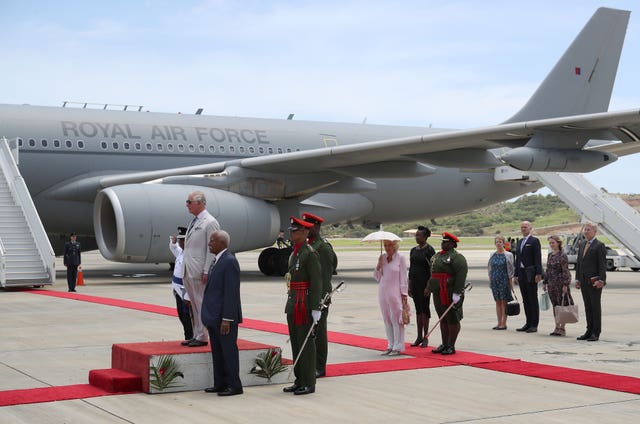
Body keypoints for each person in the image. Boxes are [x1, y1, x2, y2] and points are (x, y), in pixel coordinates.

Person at [282, 217, 322, 395]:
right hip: (294, 302)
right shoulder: (295, 252)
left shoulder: (310, 253)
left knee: (306, 344)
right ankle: (299, 380)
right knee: (297, 342)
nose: (292, 234)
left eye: (295, 231)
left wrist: (315, 308)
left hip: (304, 303)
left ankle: (308, 381)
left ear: (305, 233)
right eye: (291, 231)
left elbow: (316, 282)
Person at [201, 230, 243, 396]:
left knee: (228, 352)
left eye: (212, 241)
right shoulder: (217, 261)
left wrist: (227, 318)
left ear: (222, 243)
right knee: (217, 352)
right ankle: (220, 383)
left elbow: (231, 293)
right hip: (214, 317)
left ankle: (234, 385)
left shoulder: (229, 261)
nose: (209, 243)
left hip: (224, 318)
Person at [182, 191, 220, 347]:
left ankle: (204, 336)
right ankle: (198, 333)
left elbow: (213, 249)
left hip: (199, 270)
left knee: (201, 303)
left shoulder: (209, 222)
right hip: (189, 269)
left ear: (200, 203)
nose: (187, 204)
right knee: (194, 304)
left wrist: (207, 270)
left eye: (189, 202)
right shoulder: (195, 220)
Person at [301, 212, 336, 378]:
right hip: (309, 296)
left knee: (319, 332)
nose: (306, 230)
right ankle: (312, 363)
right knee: (311, 331)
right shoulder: (310, 245)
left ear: (316, 227)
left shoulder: (322, 247)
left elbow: (324, 276)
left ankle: (320, 367)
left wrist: (321, 300)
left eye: (309, 227)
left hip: (320, 297)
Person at [427, 232, 468, 355]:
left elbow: (461, 276)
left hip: (449, 291)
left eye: (445, 242)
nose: (442, 243)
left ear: (452, 244)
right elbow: (432, 273)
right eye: (442, 241)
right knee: (442, 318)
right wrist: (429, 287)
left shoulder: (457, 258)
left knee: (452, 319)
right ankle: (444, 344)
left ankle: (451, 345)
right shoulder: (437, 256)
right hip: (438, 291)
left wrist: (457, 293)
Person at [374, 238, 408, 356]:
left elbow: (403, 277)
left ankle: (398, 346)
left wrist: (404, 294)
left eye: (389, 245)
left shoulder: (400, 258)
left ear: (394, 246)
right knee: (386, 318)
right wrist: (378, 265)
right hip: (383, 291)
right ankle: (390, 344)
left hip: (395, 292)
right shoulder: (382, 258)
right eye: (385, 245)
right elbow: (377, 277)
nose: (387, 248)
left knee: (397, 319)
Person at [575, 222, 607, 342]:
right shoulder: (582, 244)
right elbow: (579, 263)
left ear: (594, 232)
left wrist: (601, 280)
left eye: (588, 230)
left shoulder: (599, 245)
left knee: (595, 307)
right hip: (583, 281)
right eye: (585, 230)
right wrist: (577, 279)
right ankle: (589, 330)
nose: (586, 231)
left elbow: (602, 265)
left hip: (594, 282)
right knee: (587, 307)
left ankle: (596, 332)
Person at [408, 226, 435, 347]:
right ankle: (418, 336)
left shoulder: (429, 250)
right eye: (416, 235)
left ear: (425, 237)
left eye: (419, 235)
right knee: (418, 309)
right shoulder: (413, 250)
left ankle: (426, 337)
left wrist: (428, 286)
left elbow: (432, 270)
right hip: (415, 284)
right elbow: (411, 268)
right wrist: (409, 284)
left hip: (424, 284)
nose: (416, 237)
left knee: (425, 309)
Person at [513, 221, 543, 333]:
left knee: (532, 299)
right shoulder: (520, 241)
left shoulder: (534, 241)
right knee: (525, 299)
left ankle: (534, 324)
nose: (523, 229)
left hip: (531, 273)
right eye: (522, 227)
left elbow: (537, 258)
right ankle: (528, 322)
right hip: (521, 273)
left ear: (530, 228)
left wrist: (538, 273)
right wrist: (515, 274)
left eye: (525, 227)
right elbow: (518, 259)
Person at [544, 235, 573, 336]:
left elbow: (565, 271)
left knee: (562, 305)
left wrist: (565, 284)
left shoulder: (562, 255)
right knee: (555, 306)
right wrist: (545, 282)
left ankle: (562, 327)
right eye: (550, 243)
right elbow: (548, 270)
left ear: (558, 243)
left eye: (553, 243)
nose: (551, 245)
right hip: (552, 284)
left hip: (560, 284)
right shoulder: (550, 255)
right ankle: (556, 326)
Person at [169, 226, 193, 344]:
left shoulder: (191, 255)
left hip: (186, 290)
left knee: (187, 315)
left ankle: (191, 337)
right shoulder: (182, 252)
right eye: (179, 240)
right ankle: (187, 336)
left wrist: (188, 295)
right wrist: (173, 244)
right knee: (181, 314)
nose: (180, 242)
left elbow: (193, 278)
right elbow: (175, 250)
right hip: (178, 289)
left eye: (182, 240)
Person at [488, 235, 514, 330]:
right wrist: (490, 280)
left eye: (500, 242)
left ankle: (504, 323)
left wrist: (510, 282)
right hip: (495, 280)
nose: (498, 243)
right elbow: (490, 269)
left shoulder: (508, 255)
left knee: (504, 302)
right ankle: (499, 322)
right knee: (497, 302)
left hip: (504, 280)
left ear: (503, 243)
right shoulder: (492, 254)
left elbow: (511, 270)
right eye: (497, 242)